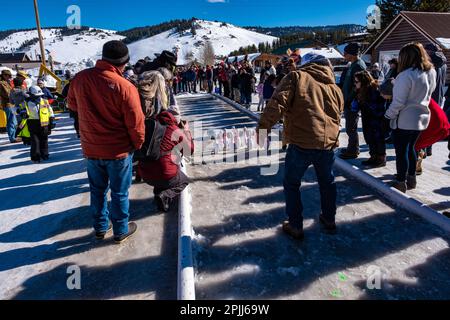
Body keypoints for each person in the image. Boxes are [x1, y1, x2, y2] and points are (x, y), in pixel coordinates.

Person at [257, 54, 344, 240]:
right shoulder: (335, 87)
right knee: (327, 183)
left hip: (301, 141)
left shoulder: (297, 77)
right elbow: (338, 114)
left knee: (291, 183)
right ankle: (329, 218)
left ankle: (295, 224)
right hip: (327, 143)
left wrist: (263, 128)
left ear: (307, 65)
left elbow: (278, 102)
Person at [67, 40, 145, 243]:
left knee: (97, 190)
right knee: (119, 192)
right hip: (118, 150)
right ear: (124, 63)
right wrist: (138, 144)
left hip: (91, 147)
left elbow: (72, 104)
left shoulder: (80, 78)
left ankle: (101, 227)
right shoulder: (125, 86)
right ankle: (121, 229)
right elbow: (135, 122)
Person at [136, 71, 194, 212]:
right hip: (164, 173)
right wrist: (186, 131)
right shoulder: (172, 128)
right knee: (183, 180)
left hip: (144, 173)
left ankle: (159, 192)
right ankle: (165, 195)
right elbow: (189, 151)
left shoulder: (145, 124)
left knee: (160, 167)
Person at [384, 42, 436, 193]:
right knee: (411, 148)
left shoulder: (405, 75)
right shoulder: (430, 72)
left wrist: (387, 116)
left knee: (401, 152)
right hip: (422, 117)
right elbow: (430, 92)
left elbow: (398, 102)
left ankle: (401, 181)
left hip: (405, 119)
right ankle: (411, 178)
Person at [353, 71, 387, 167]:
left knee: (377, 138)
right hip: (367, 117)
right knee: (369, 137)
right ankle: (373, 156)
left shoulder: (374, 89)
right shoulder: (362, 90)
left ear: (363, 81)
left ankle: (381, 158)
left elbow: (378, 106)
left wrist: (364, 103)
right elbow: (357, 106)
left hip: (376, 119)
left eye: (357, 81)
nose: (355, 83)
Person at [339, 42, 367, 160]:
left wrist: (349, 99)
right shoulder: (353, 64)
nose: (344, 55)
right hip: (348, 99)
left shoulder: (358, 65)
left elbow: (358, 86)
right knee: (350, 126)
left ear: (351, 53)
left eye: (345, 53)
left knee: (351, 127)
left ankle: (353, 150)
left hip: (353, 101)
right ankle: (352, 147)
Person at [21, 86, 54, 163]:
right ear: (31, 94)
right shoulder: (26, 103)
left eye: (39, 95)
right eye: (36, 96)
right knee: (35, 141)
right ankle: (35, 157)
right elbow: (17, 110)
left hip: (44, 123)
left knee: (44, 140)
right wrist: (22, 113)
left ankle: (44, 154)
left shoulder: (45, 101)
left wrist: (52, 119)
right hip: (33, 124)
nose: (38, 97)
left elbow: (50, 111)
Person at [1, 69, 21, 143]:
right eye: (8, 76)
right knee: (11, 121)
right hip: (8, 104)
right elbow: (7, 94)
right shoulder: (2, 83)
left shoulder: (6, 83)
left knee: (14, 121)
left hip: (11, 104)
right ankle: (12, 138)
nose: (9, 77)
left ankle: (14, 136)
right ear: (4, 76)